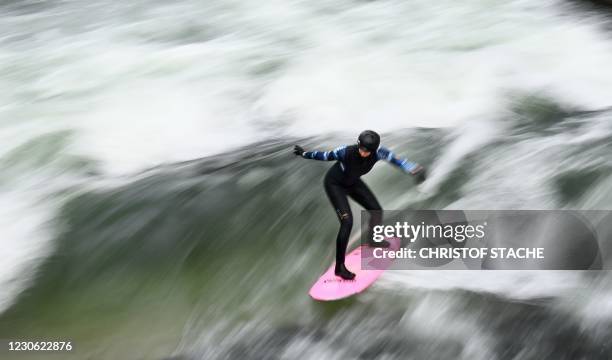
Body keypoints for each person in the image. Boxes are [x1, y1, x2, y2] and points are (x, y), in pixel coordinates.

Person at [293, 130, 426, 280]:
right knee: (347, 222)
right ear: (358, 144)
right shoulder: (345, 152)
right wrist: (304, 154)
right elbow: (324, 156)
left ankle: (373, 240)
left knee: (376, 211)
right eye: (361, 148)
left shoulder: (379, 153)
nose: (363, 152)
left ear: (374, 150)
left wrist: (414, 169)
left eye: (367, 151)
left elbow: (397, 161)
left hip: (353, 183)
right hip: (334, 185)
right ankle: (340, 268)